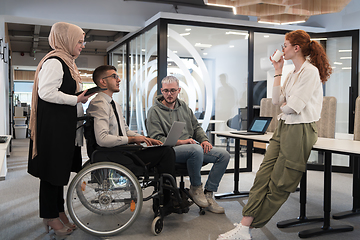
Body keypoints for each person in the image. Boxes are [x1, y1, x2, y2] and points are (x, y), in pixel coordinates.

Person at [217, 29, 333, 240]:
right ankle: (245, 227)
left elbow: (295, 106)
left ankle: (247, 227)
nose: (282, 49)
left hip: (300, 129)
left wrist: (288, 105)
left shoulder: (310, 72)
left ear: (296, 48)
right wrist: (278, 70)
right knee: (263, 176)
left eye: (285, 46)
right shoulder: (291, 73)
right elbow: (278, 102)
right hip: (284, 127)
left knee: (281, 182)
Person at [28, 22, 93, 236]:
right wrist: (76, 99)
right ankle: (49, 216)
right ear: (66, 40)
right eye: (79, 41)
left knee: (59, 173)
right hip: (53, 130)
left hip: (62, 128)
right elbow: (46, 93)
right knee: (51, 174)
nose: (82, 45)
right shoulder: (55, 62)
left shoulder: (67, 62)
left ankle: (58, 211)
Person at [86, 65, 179, 213]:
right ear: (103, 82)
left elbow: (125, 130)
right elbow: (102, 139)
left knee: (162, 150)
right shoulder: (99, 104)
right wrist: (130, 140)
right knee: (166, 153)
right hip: (115, 154)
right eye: (114, 76)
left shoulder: (113, 104)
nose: (119, 79)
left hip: (122, 150)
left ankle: (165, 198)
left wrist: (141, 137)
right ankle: (167, 201)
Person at [146, 75, 230, 214]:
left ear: (179, 90)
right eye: (166, 91)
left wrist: (204, 140)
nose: (169, 94)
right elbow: (157, 139)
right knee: (195, 149)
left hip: (193, 149)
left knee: (223, 155)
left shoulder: (184, 107)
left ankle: (208, 195)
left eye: (173, 90)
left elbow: (196, 127)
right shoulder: (154, 111)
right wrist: (182, 142)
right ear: (161, 90)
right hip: (169, 152)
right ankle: (196, 188)